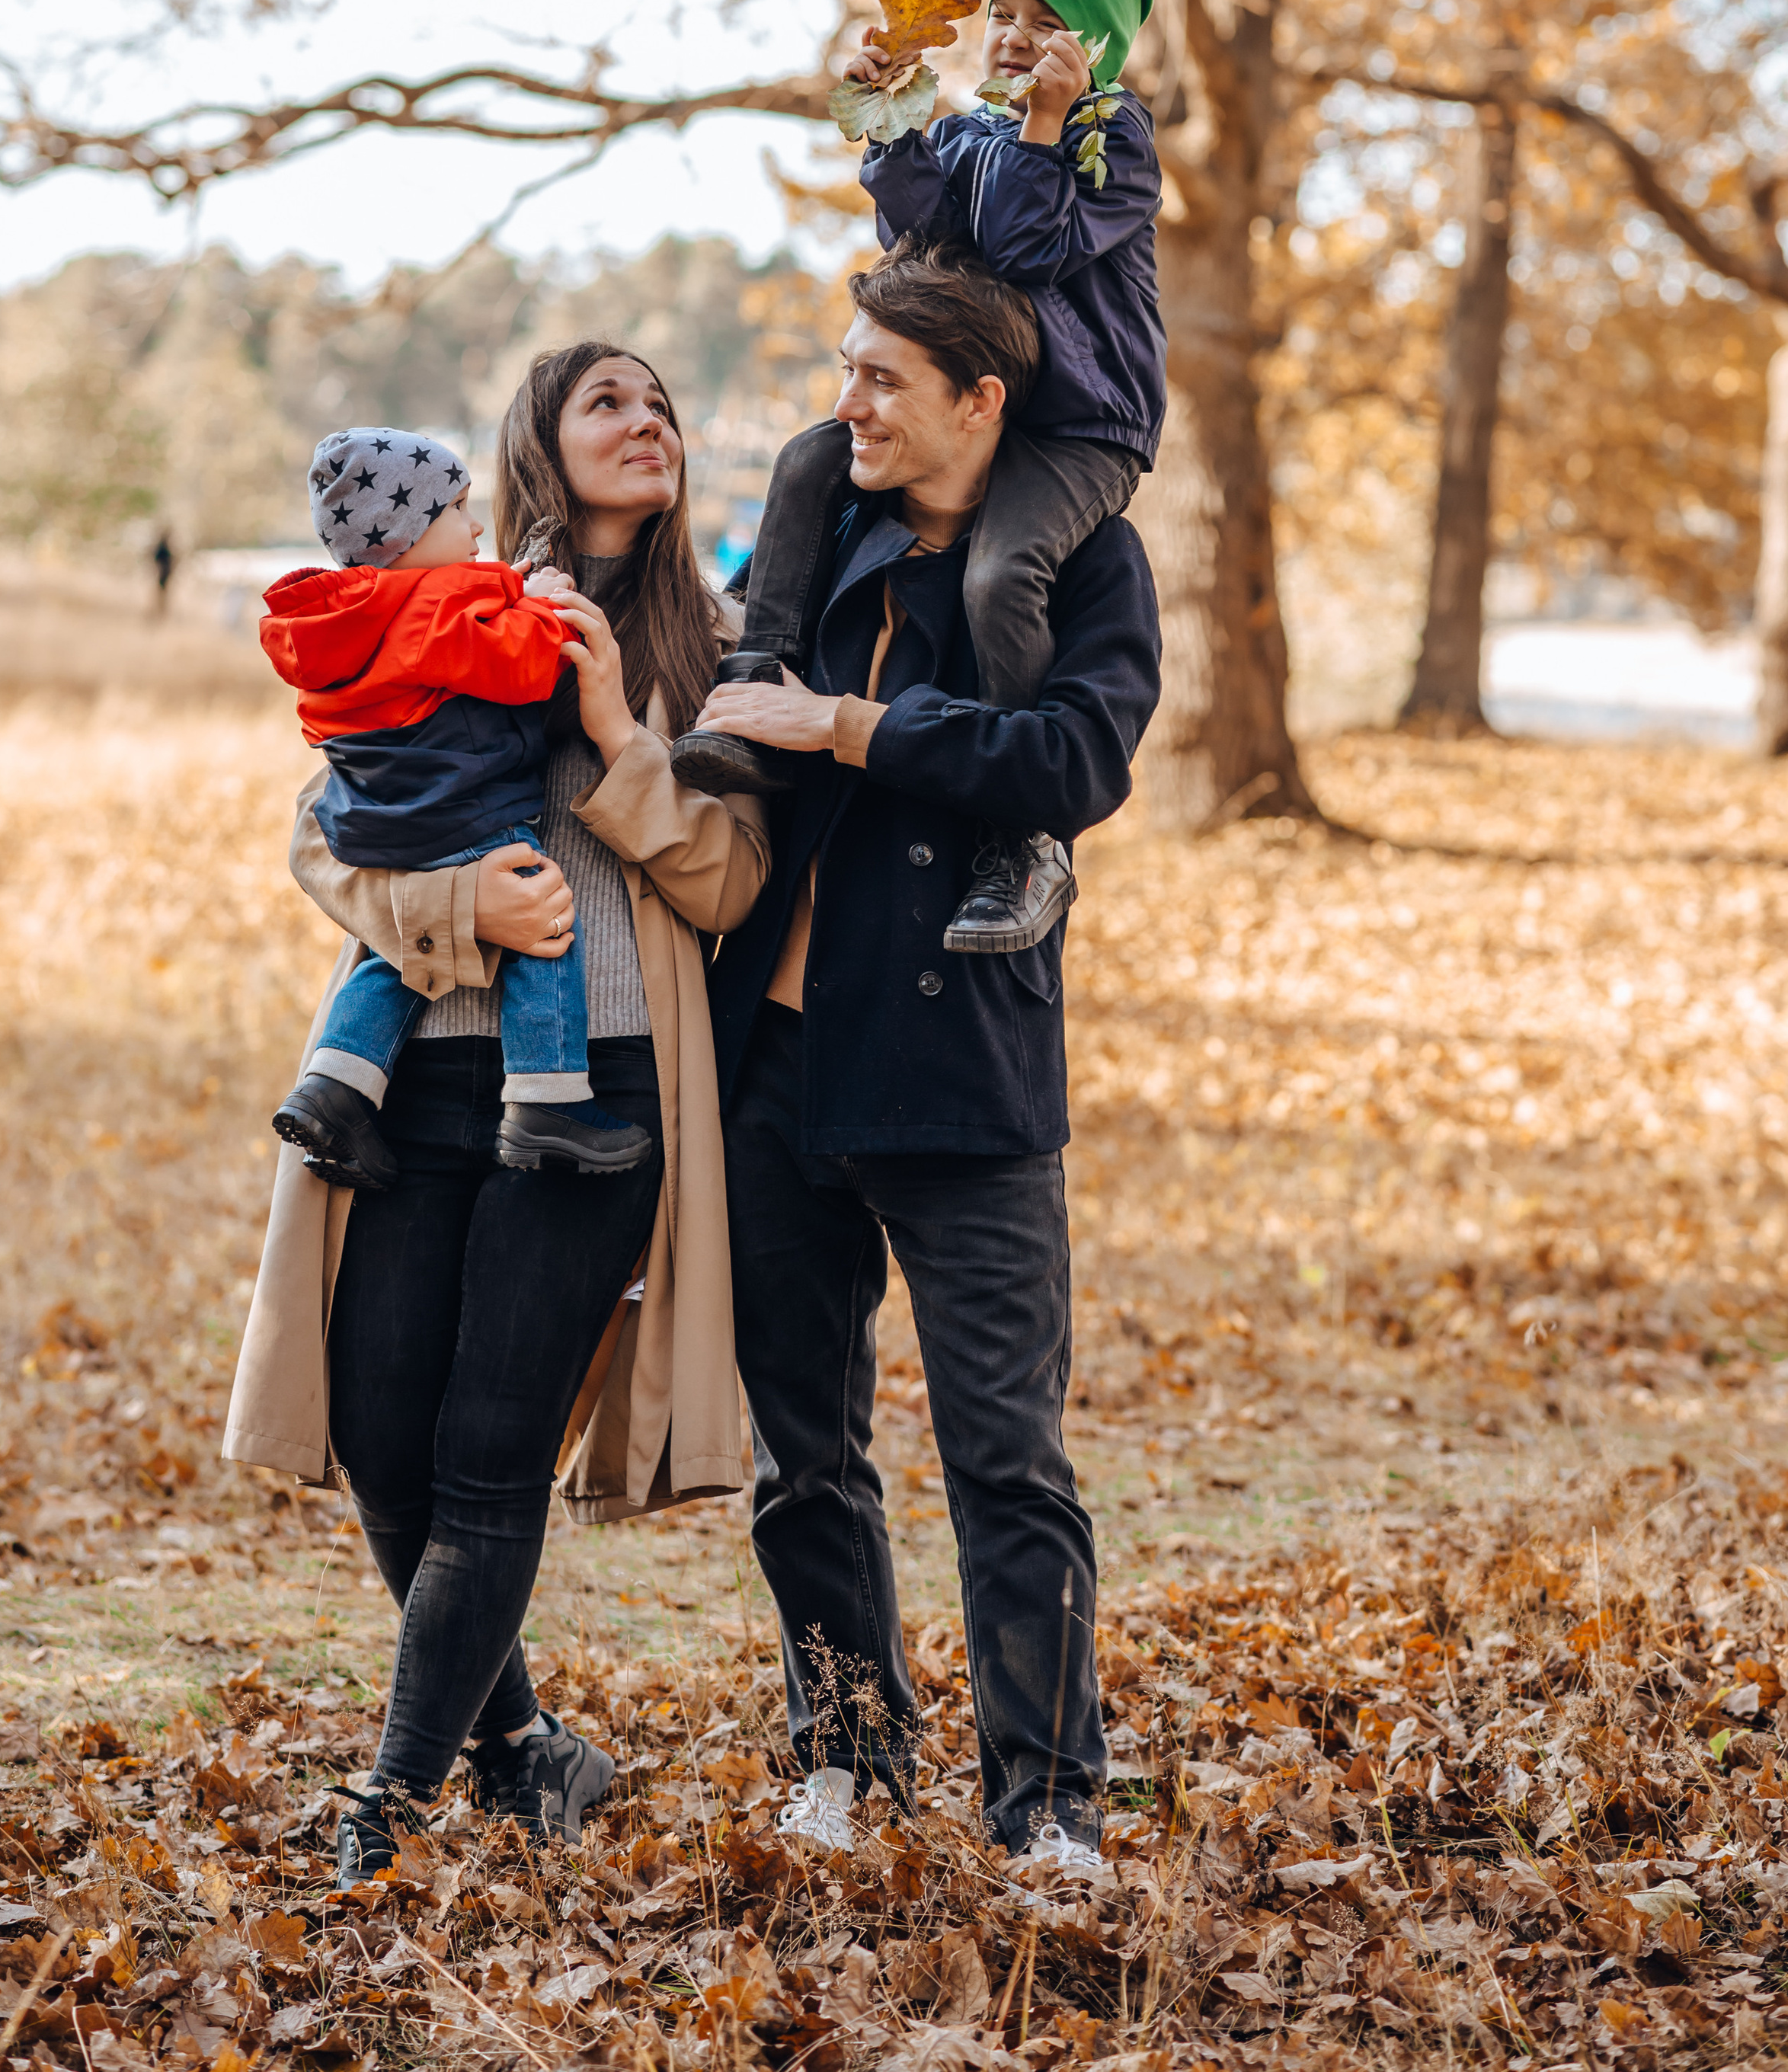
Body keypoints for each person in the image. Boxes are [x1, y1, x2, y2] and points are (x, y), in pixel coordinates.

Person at [222, 344, 769, 1885]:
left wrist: (611, 734)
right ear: (536, 438)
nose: (646, 420)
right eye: (609, 400)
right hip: (422, 1072)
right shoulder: (436, 591)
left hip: (591, 1088)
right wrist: (458, 896)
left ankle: (384, 1811)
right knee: (385, 1433)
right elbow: (323, 837)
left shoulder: (709, 639)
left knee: (485, 1450)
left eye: (664, 400)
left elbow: (729, 880)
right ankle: (525, 1748)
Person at [692, 238, 1163, 1876]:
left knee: (1005, 1461)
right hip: (776, 1066)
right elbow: (730, 669)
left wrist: (858, 728)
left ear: (981, 400)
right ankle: (843, 1753)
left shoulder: (1088, 565)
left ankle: (1045, 1805)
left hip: (965, 1075)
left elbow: (1073, 758)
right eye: (842, 374)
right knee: (800, 1451)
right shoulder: (830, 528)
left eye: (881, 380)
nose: (847, 406)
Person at [673, 0, 1164, 960]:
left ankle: (1021, 839)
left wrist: (1046, 124)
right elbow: (919, 241)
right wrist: (897, 116)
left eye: (1052, 23)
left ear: (1101, 51)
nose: (1019, 37)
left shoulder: (1108, 138)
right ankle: (754, 678)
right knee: (811, 454)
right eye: (1007, 15)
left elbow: (1030, 251)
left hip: (1084, 424)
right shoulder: (977, 131)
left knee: (1000, 574)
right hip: (995, 404)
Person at [259, 426, 647, 1185]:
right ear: (406, 534)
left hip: (384, 818)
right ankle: (548, 1099)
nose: (476, 528)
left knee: (400, 957)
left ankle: (335, 1090)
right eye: (459, 509)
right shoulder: (430, 607)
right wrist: (538, 607)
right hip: (464, 806)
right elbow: (524, 668)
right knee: (542, 925)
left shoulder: (344, 616)